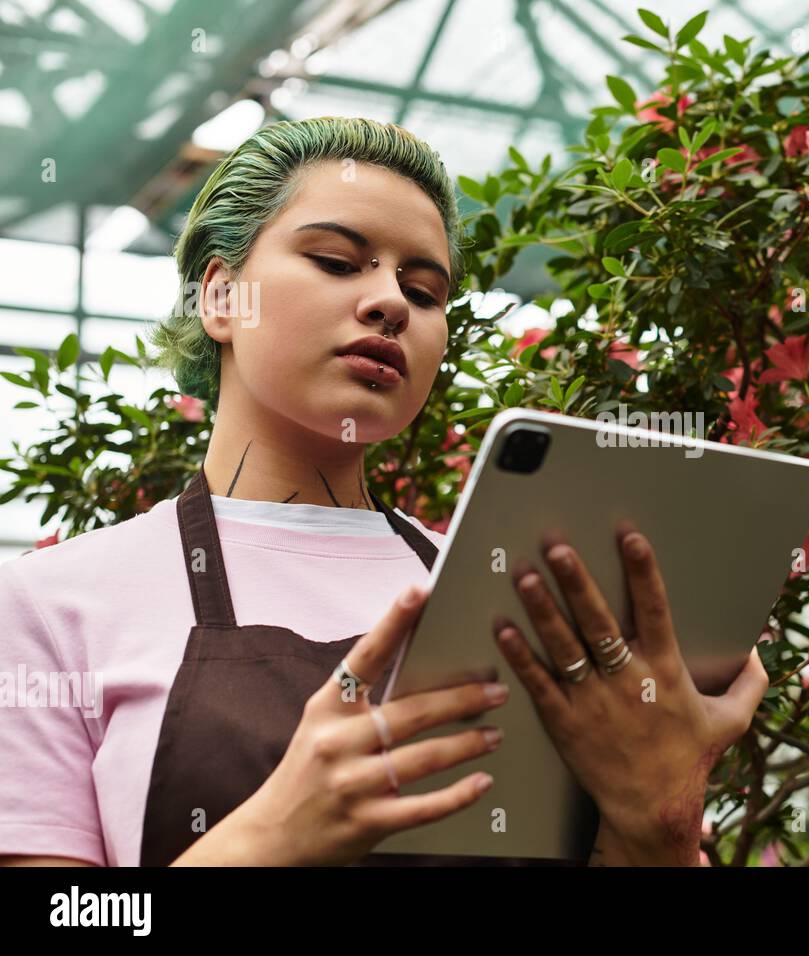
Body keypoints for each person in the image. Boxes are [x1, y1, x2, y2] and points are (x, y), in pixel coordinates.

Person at [0, 116, 770, 867]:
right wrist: (267, 840)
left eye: (425, 291)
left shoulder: (523, 600)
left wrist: (662, 821)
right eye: (338, 261)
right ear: (222, 297)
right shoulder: (49, 608)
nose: (392, 302)